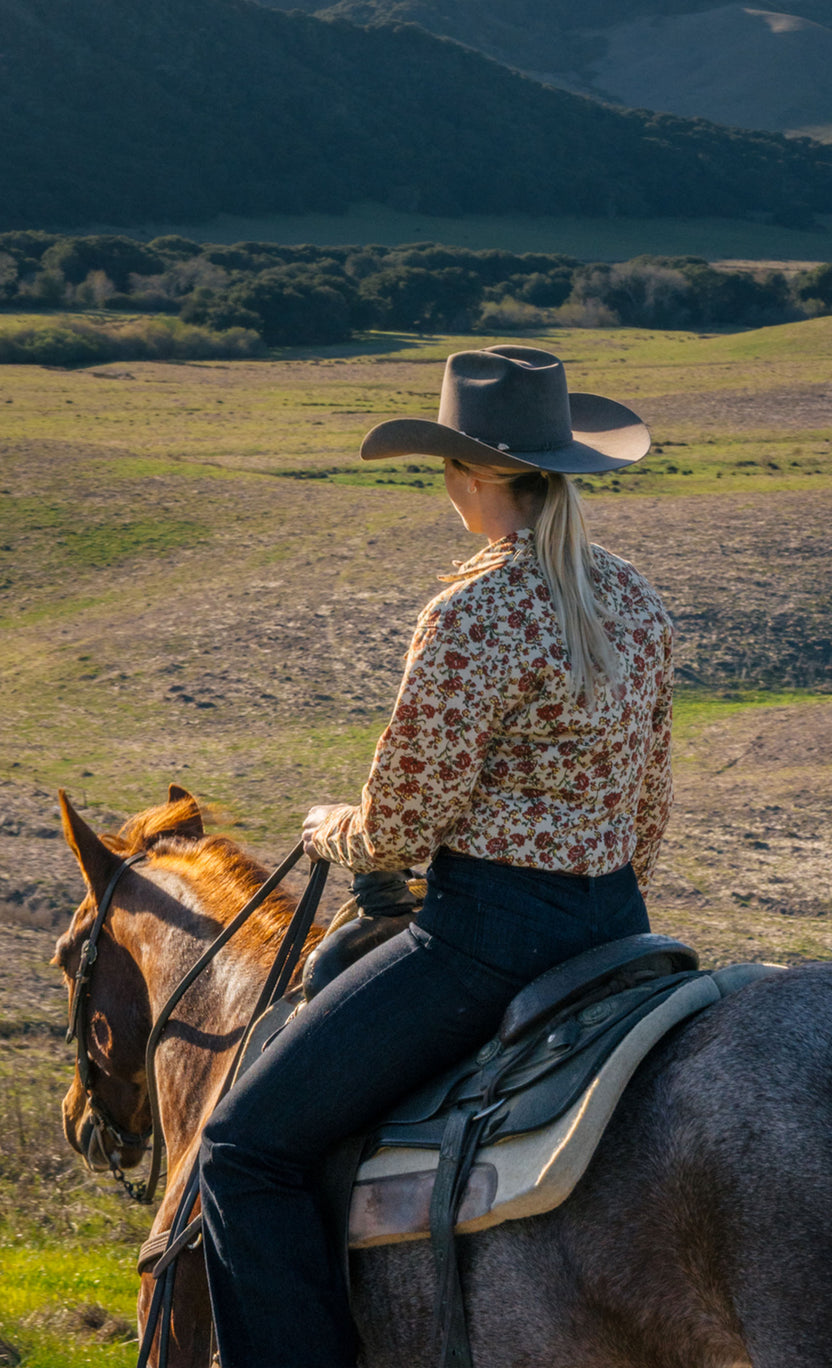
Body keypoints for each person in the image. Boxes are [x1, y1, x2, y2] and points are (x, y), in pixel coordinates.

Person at [199, 344, 673, 1368]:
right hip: (622, 929)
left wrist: (333, 828)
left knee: (244, 1150)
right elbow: (650, 807)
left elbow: (402, 830)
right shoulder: (634, 599)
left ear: (465, 476)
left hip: (486, 942)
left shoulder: (470, 614)